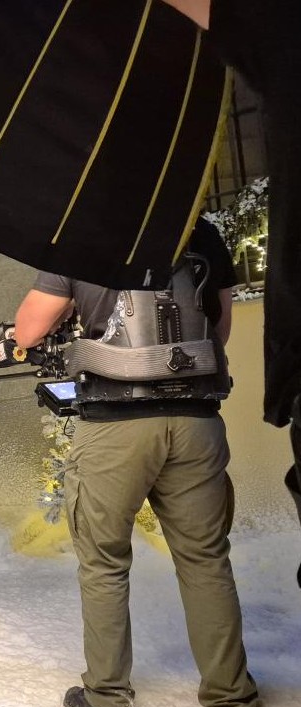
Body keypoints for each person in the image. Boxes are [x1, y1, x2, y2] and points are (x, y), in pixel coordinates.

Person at [13, 218, 262, 707]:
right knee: (205, 561)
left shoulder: (80, 229)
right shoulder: (202, 229)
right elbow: (219, 329)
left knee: (103, 562)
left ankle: (107, 698)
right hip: (195, 420)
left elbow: (28, 330)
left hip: (115, 428)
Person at [159, 0, 301, 583]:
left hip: (146, 406)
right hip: (196, 396)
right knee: (204, 548)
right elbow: (221, 315)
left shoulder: (112, 238)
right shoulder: (205, 236)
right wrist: (210, 358)